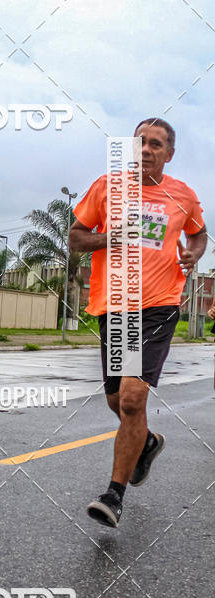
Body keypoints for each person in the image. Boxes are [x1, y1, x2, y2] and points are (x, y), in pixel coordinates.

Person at [69, 118, 207, 528]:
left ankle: (114, 495)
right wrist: (113, 237)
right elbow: (76, 238)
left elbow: (199, 233)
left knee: (132, 399)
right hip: (115, 308)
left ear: (169, 153)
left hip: (159, 307)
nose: (146, 149)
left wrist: (194, 253)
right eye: (140, 142)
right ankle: (146, 442)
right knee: (117, 401)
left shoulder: (183, 195)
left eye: (156, 144)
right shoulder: (106, 187)